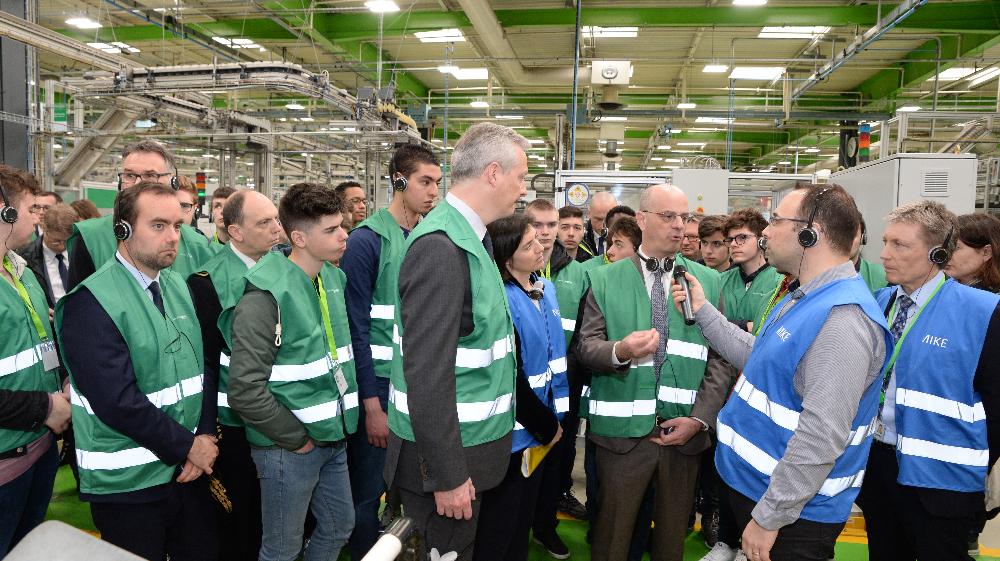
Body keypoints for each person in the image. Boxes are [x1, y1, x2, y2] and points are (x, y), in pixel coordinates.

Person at [674, 184, 891, 561]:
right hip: (757, 492)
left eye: (775, 221)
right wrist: (703, 312)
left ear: (811, 233)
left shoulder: (842, 321)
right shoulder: (801, 295)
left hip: (792, 518)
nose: (766, 233)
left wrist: (771, 517)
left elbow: (822, 435)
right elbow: (762, 358)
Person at [384, 122, 528, 560]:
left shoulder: (469, 239)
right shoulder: (442, 249)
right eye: (521, 177)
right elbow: (426, 375)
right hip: (446, 466)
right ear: (492, 173)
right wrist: (446, 475)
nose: (522, 190)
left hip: (470, 454)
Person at [57, 181, 220, 560]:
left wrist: (207, 435)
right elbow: (117, 401)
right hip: (129, 486)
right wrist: (189, 446)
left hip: (188, 471)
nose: (173, 238)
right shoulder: (91, 303)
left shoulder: (177, 285)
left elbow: (202, 367)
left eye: (177, 226)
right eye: (159, 225)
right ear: (123, 231)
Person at [578, 184, 734, 561]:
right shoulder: (604, 278)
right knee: (612, 540)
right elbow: (585, 347)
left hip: (683, 437)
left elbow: (722, 359)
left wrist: (699, 419)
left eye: (685, 217)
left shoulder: (708, 282)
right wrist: (621, 351)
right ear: (642, 220)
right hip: (621, 440)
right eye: (669, 216)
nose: (680, 226)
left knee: (671, 543)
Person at [857, 200, 1000, 561]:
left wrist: (974, 462)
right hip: (880, 467)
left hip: (943, 482)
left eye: (900, 245)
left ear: (937, 253)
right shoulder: (881, 302)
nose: (885, 254)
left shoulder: (982, 312)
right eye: (886, 242)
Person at [224, 182, 358, 561]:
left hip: (333, 436)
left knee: (337, 526)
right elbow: (245, 390)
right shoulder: (263, 295)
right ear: (298, 236)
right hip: (288, 447)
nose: (344, 235)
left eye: (341, 225)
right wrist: (295, 438)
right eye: (331, 230)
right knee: (281, 549)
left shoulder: (333, 279)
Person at [341, 143, 441, 560]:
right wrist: (371, 406)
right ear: (398, 181)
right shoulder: (366, 243)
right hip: (379, 389)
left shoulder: (429, 238)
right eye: (425, 181)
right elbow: (356, 330)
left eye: (438, 182)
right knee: (367, 492)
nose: (434, 191)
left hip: (416, 388)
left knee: (410, 488)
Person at [187, 190, 283, 561]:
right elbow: (207, 363)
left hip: (281, 416)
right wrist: (207, 428)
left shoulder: (286, 268)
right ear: (235, 232)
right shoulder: (205, 282)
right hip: (235, 424)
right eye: (264, 222)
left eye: (276, 219)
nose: (277, 229)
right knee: (241, 516)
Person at [473, 214, 567, 561]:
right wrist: (546, 426)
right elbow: (511, 376)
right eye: (528, 245)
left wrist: (558, 417)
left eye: (538, 240)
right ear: (506, 257)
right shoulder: (503, 300)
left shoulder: (544, 289)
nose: (541, 247)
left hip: (542, 429)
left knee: (521, 527)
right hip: (513, 434)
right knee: (500, 528)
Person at [0, 166, 69, 556]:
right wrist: (46, 407)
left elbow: (40, 344)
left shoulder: (20, 272)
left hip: (38, 452)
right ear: (4, 212)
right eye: (30, 209)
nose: (37, 218)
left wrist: (62, 381)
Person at [523, 198, 588, 556]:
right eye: (540, 226)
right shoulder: (512, 268)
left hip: (564, 386)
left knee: (557, 460)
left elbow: (584, 330)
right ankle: (520, 523)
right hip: (524, 387)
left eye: (552, 225)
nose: (547, 234)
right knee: (521, 463)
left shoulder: (580, 271)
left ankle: (546, 525)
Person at [66, 140, 215, 290]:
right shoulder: (90, 238)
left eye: (150, 175)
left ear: (173, 183)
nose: (137, 183)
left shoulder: (200, 247)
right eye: (130, 175)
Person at [719, 209, 783, 332]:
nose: (733, 244)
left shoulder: (780, 282)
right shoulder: (721, 280)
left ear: (761, 240)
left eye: (742, 237)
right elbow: (711, 325)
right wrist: (745, 326)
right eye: (730, 239)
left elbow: (776, 327)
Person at [18, 203, 80, 308]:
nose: (62, 246)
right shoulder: (24, 258)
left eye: (67, 241)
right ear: (44, 228)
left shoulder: (80, 252)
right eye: (57, 241)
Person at [946, 212, 1000, 293]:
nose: (945, 254)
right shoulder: (948, 287)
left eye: (956, 248)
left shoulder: (993, 302)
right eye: (945, 247)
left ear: (986, 252)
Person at [578, 192, 617, 262]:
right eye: (599, 219)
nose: (603, 225)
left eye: (608, 220)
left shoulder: (627, 239)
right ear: (589, 214)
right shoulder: (579, 239)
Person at [851, 218, 887, 293]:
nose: (844, 240)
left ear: (863, 238)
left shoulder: (883, 277)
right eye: (839, 234)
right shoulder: (821, 273)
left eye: (852, 235)